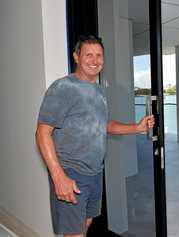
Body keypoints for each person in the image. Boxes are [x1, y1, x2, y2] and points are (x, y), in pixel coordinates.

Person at [35, 35, 154, 237]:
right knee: (74, 233)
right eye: (88, 55)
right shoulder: (63, 88)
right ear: (76, 57)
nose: (95, 60)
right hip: (70, 172)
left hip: (95, 172)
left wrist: (137, 127)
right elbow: (42, 132)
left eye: (99, 55)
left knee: (86, 223)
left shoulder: (98, 91)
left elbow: (105, 125)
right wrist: (59, 176)